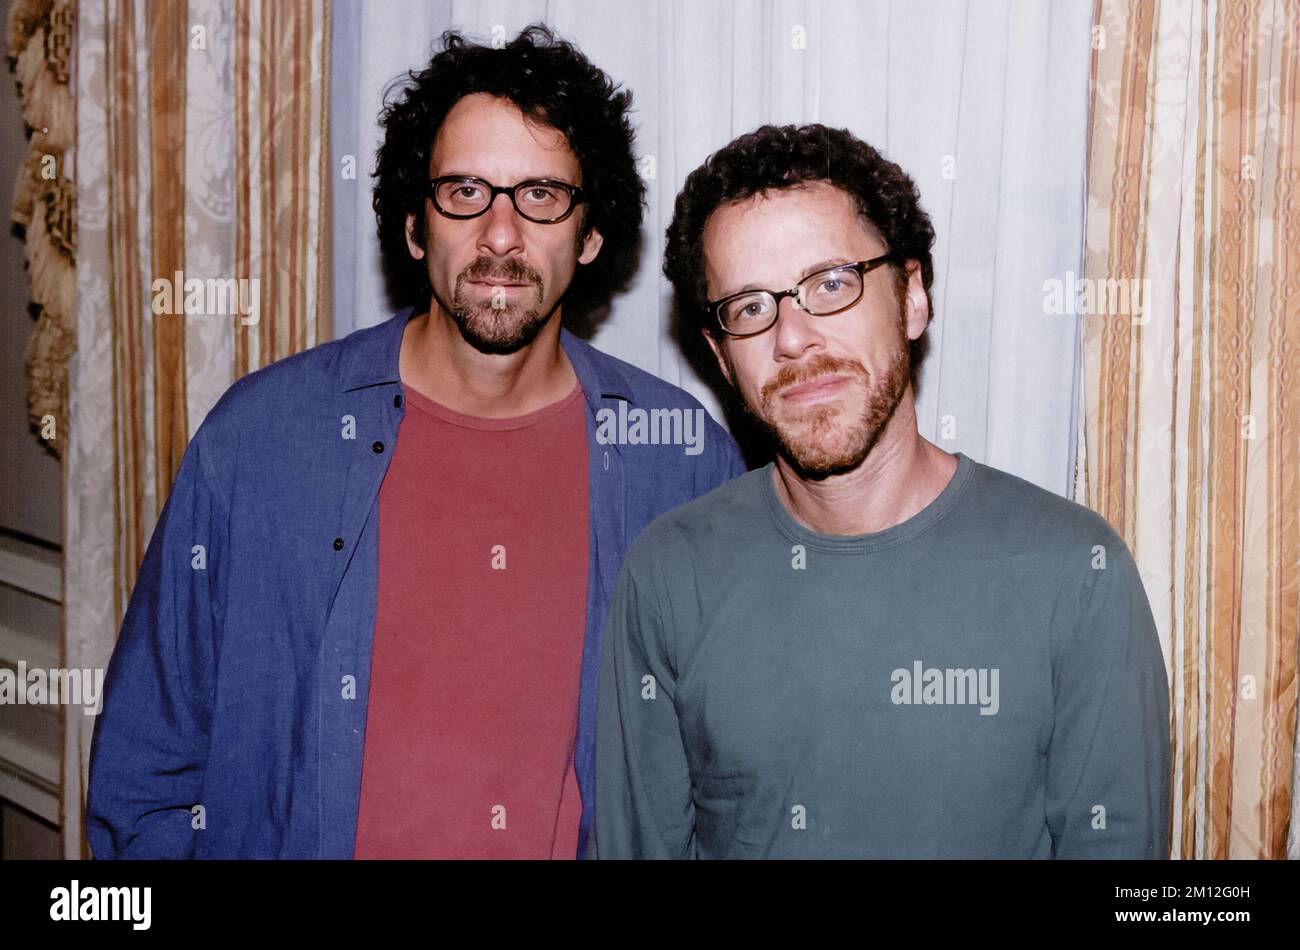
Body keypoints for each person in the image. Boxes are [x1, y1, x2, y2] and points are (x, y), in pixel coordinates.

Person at [87, 25, 744, 860]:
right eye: (464, 192)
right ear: (412, 225)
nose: (500, 235)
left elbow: (725, 783)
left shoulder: (678, 461)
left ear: (590, 235)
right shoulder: (259, 442)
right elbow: (147, 772)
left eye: (541, 195)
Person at [593, 123, 1171, 858]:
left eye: (830, 284)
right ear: (720, 354)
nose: (794, 338)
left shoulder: (1076, 573)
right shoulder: (669, 575)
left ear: (914, 296)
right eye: (749, 307)